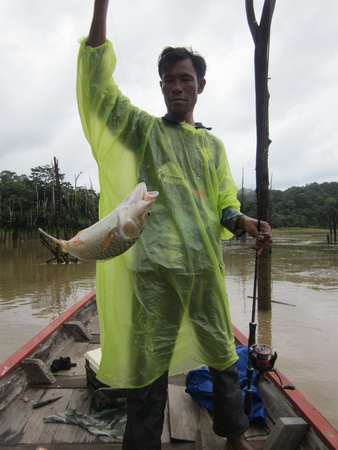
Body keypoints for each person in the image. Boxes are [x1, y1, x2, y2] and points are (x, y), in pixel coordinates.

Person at [77, 1, 273, 449]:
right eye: (170, 79)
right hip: (153, 275)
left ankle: (234, 435)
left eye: (186, 78)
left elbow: (223, 203)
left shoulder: (213, 146)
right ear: (161, 86)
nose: (178, 87)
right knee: (148, 371)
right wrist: (101, 8)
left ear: (201, 85)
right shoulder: (144, 131)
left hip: (203, 269)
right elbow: (98, 89)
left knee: (224, 356)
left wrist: (244, 221)